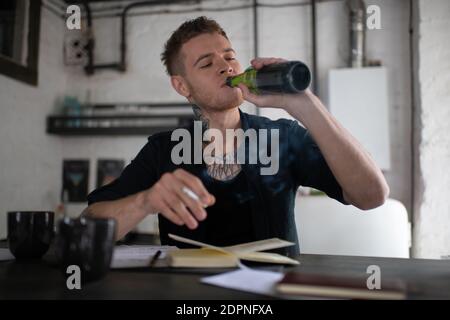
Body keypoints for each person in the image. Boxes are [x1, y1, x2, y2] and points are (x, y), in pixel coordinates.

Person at [84, 16, 389, 255]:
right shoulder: (162, 150)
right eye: (207, 63)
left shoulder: (283, 137)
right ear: (182, 86)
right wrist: (146, 201)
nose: (225, 67)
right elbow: (89, 225)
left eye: (229, 57)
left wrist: (304, 104)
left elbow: (372, 195)